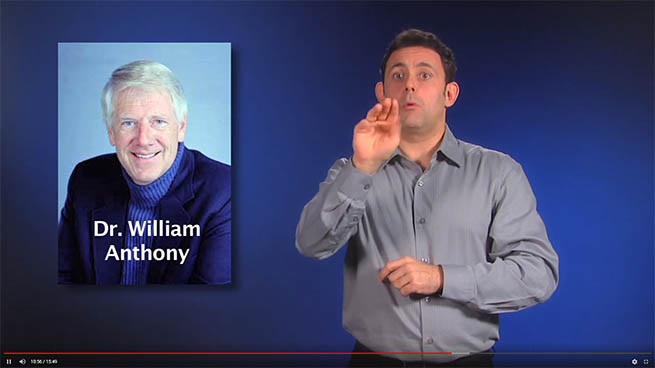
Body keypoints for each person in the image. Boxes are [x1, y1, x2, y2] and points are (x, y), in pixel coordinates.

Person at [296, 29, 559, 366]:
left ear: (449, 93)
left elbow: (538, 274)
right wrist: (363, 166)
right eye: (398, 75)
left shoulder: (499, 172)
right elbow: (311, 244)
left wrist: (442, 278)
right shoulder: (352, 170)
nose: (409, 85)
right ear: (382, 91)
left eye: (424, 74)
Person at [59, 60, 231, 285]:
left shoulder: (223, 192)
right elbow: (61, 283)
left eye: (158, 122)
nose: (143, 140)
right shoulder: (85, 181)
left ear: (181, 128)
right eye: (128, 123)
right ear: (111, 132)